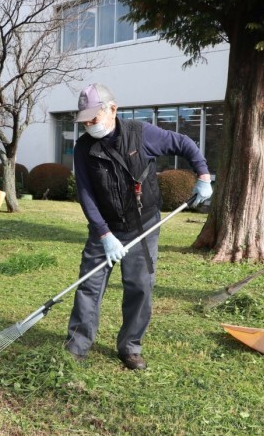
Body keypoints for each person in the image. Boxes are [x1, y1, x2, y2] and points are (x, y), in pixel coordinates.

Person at [65, 83, 212, 370]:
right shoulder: (83, 147)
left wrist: (204, 176)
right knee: (89, 285)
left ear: (113, 110)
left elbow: (185, 144)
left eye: (94, 118)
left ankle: (130, 346)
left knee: (139, 286)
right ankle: (77, 345)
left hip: (141, 225)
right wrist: (104, 233)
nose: (89, 125)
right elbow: (85, 192)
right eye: (84, 120)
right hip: (104, 227)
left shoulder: (141, 134)